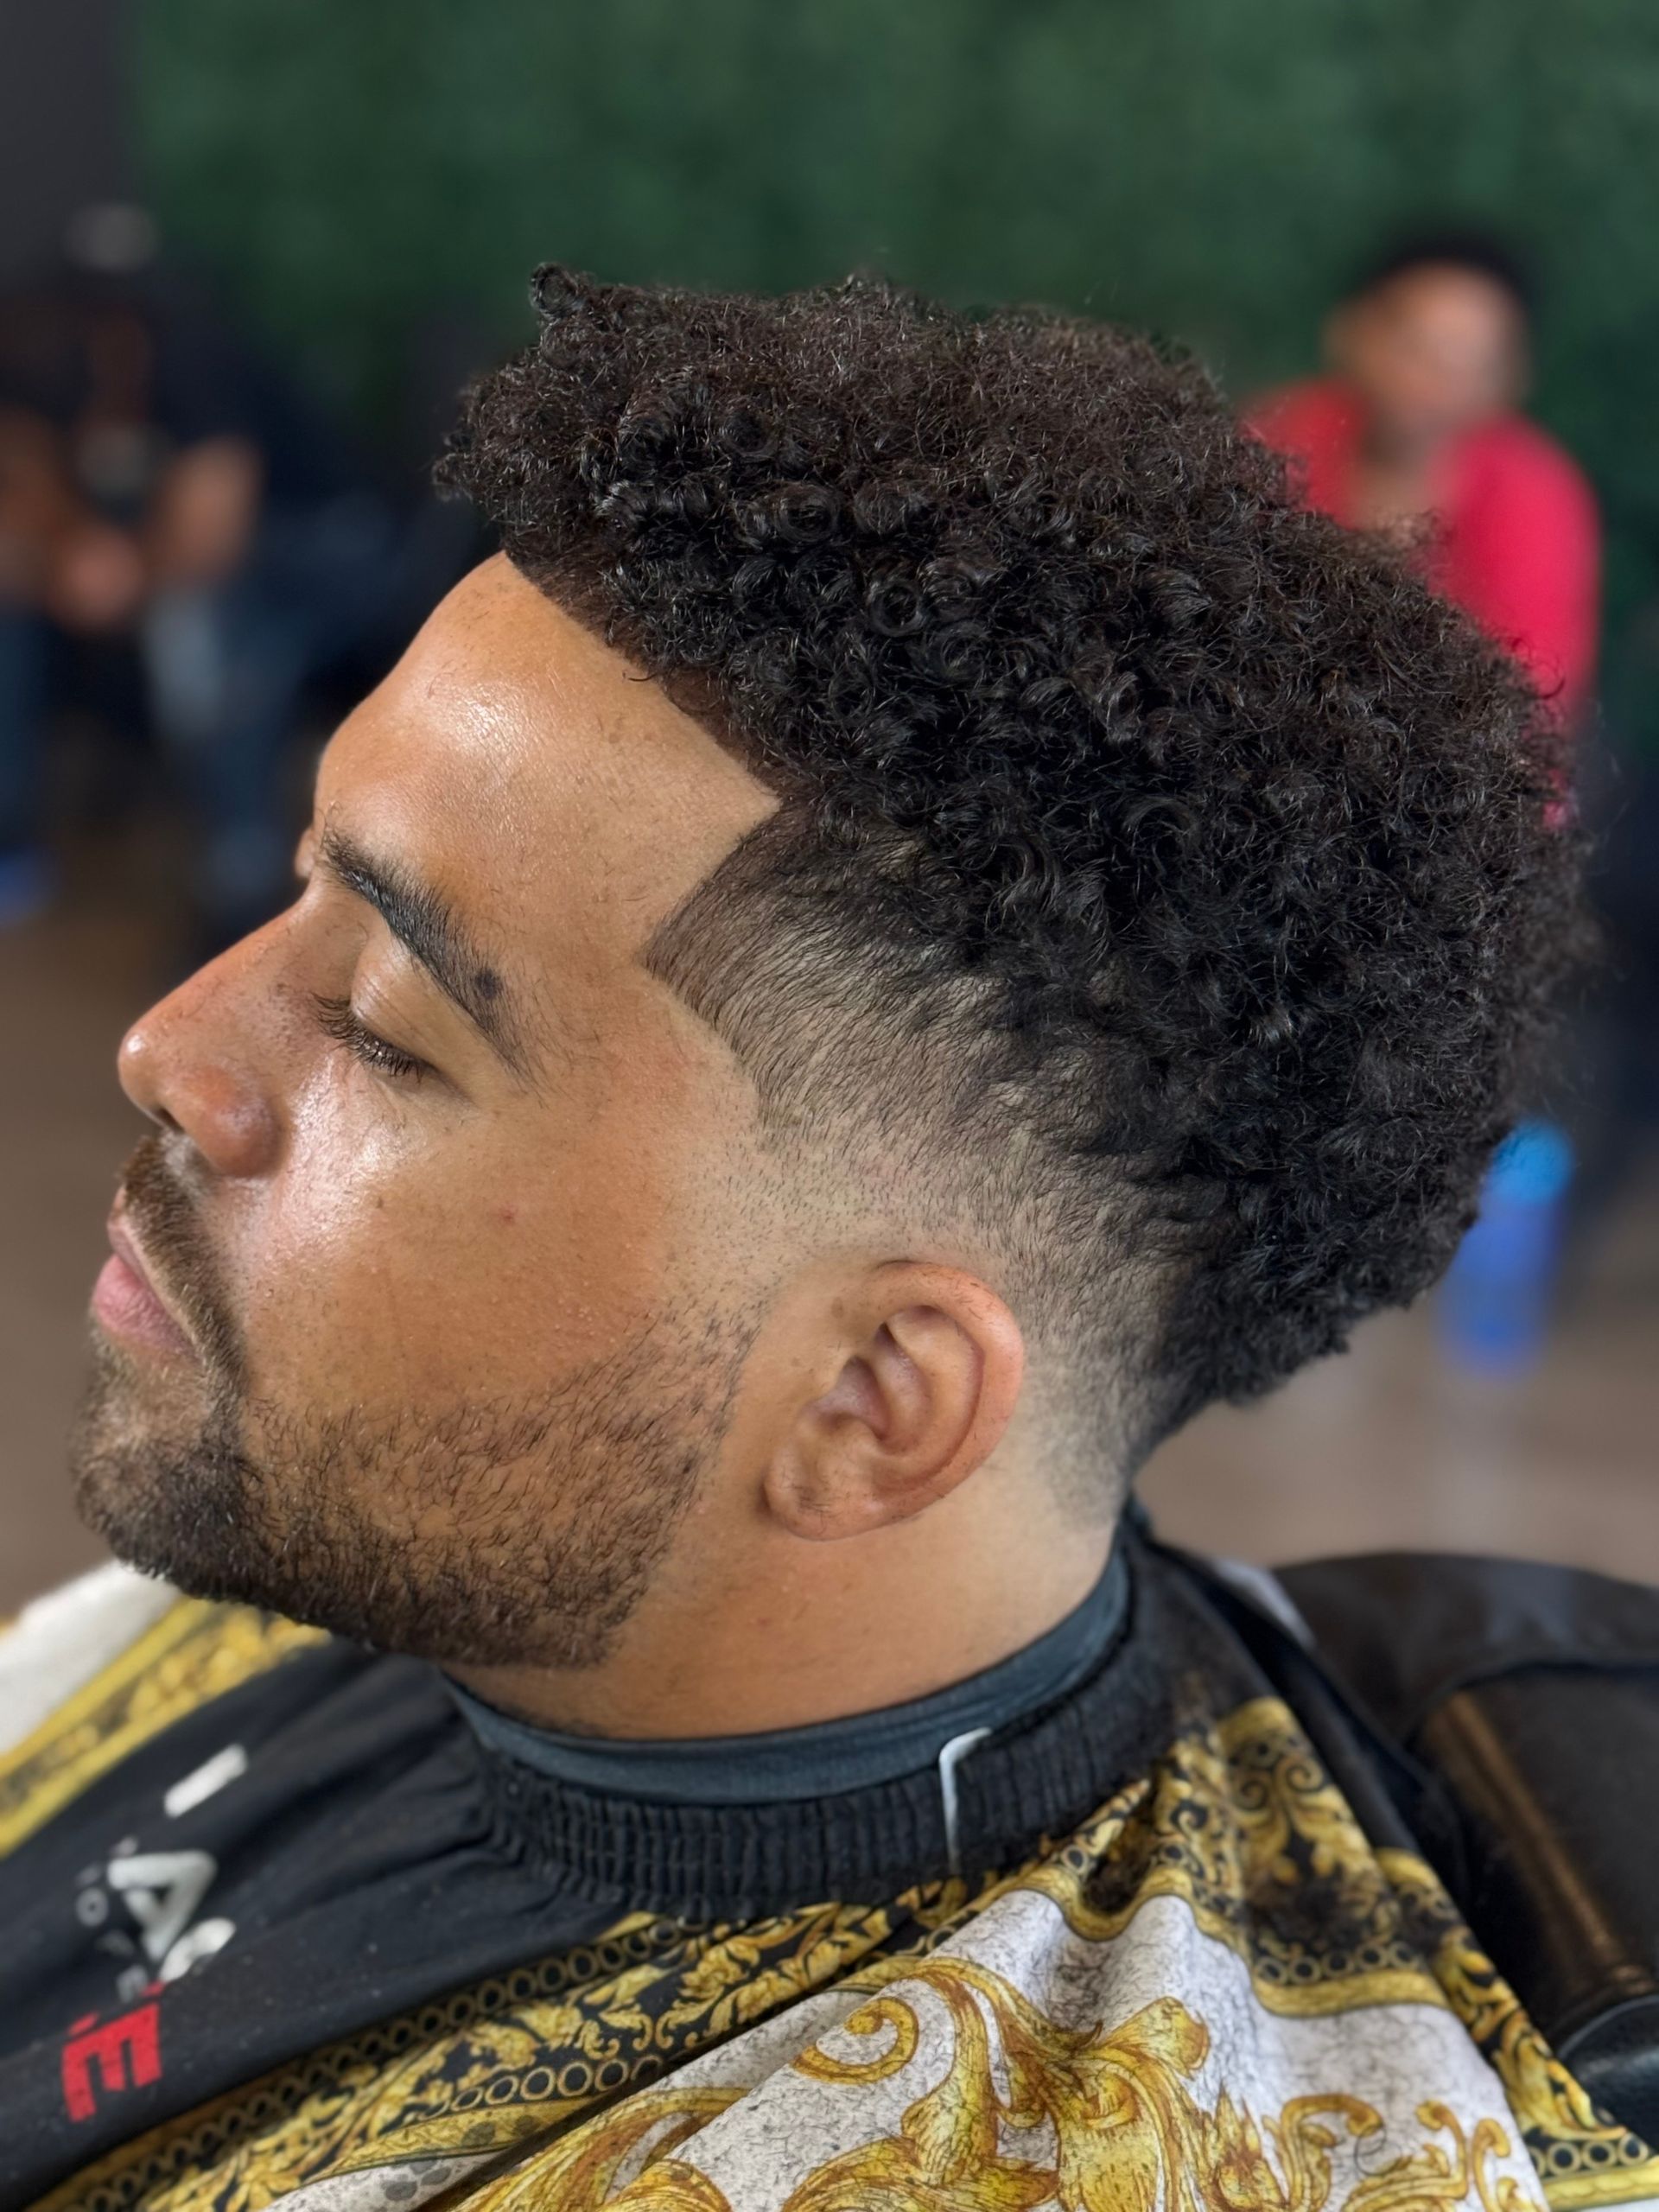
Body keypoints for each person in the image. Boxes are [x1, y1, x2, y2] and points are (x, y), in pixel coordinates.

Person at [1, 269, 1654, 2212]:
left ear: (873, 1400)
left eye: (383, 1022)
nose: (168, 1048)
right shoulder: (397, 1503)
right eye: (304, 886)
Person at [0, 206, 395, 938]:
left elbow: (211, 534)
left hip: (330, 548)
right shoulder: (48, 361)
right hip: (170, 548)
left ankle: (237, 881)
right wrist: (67, 546)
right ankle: (11, 834)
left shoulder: (198, 358)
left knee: (202, 627)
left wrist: (120, 576)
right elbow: (21, 465)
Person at [1247, 234, 1600, 725]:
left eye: (1464, 364)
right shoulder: (1277, 436)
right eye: (1412, 347)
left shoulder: (1537, 497)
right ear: (1350, 331)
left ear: (1510, 380)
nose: (1427, 383)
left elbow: (1531, 692)